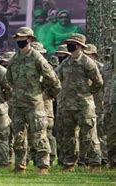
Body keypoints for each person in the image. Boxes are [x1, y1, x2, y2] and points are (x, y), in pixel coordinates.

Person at [6, 27, 60, 175]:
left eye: (22, 38)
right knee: (18, 135)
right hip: (18, 104)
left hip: (34, 104)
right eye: (17, 38)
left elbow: (53, 79)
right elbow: (9, 79)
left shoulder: (37, 58)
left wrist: (42, 91)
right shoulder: (14, 59)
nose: (19, 41)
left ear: (29, 39)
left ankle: (43, 166)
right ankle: (20, 165)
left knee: (39, 135)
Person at [57, 34, 103, 171]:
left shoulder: (87, 62)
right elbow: (57, 78)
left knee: (89, 135)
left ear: (79, 46)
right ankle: (69, 163)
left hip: (84, 106)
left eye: (72, 43)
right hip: (67, 106)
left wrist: (86, 94)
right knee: (68, 136)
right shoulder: (65, 63)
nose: (69, 45)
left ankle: (94, 163)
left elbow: (98, 82)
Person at [29, 42, 57, 166]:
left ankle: (49, 158)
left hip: (45, 106)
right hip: (31, 105)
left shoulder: (46, 68)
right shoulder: (28, 68)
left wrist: (48, 95)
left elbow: (55, 85)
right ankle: (35, 157)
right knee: (32, 133)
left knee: (47, 132)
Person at [84, 44, 107, 165]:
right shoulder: (82, 66)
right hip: (86, 103)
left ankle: (104, 156)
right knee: (88, 130)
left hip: (99, 103)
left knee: (100, 131)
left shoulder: (101, 68)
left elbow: (103, 84)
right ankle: (88, 156)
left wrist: (91, 91)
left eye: (88, 54)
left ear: (93, 55)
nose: (86, 56)